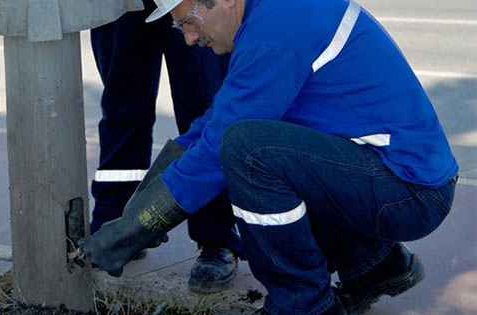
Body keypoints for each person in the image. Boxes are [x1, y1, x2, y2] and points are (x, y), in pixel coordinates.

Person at [80, 0, 458, 314]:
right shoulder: (269, 16)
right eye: (182, 29)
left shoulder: (275, 34)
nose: (191, 39)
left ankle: (302, 305)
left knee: (246, 151)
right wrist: (127, 222)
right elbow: (205, 131)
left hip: (408, 192)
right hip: (384, 174)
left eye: (191, 22)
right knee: (237, 149)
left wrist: (133, 232)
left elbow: (218, 148)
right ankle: (375, 265)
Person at [88, 0, 245, 293]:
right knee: (121, 110)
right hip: (121, 5)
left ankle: (216, 236)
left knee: (206, 105)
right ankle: (115, 224)